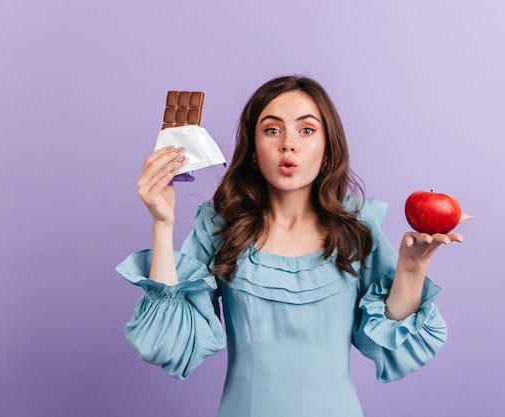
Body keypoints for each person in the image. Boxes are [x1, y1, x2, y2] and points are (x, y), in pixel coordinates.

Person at [116, 76, 469, 417]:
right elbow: (169, 342)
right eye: (272, 129)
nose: (288, 143)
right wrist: (163, 224)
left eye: (306, 130)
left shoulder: (358, 226)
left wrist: (412, 265)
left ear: (328, 150)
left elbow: (388, 342)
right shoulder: (221, 227)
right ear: (253, 153)